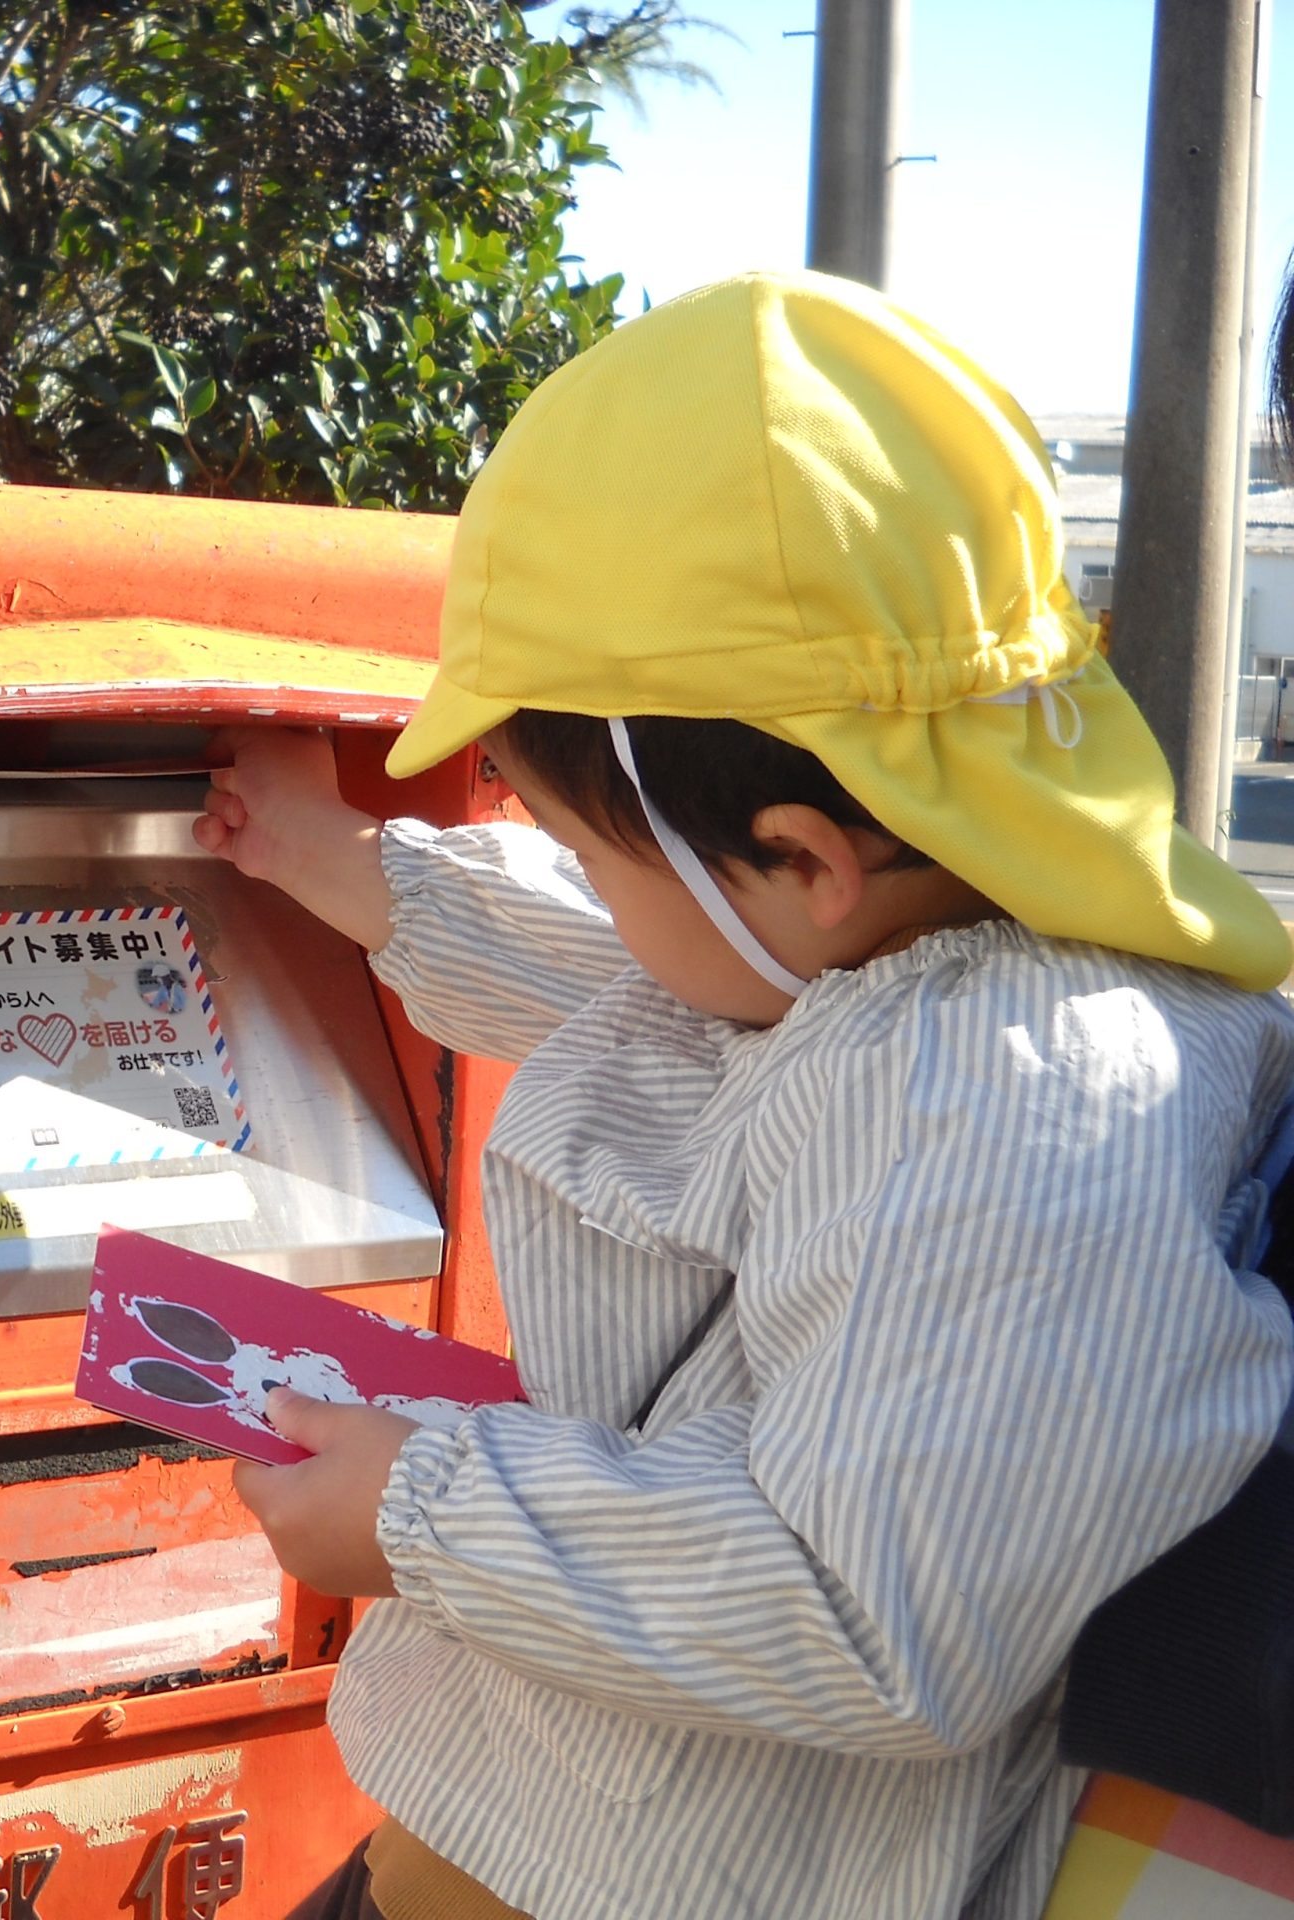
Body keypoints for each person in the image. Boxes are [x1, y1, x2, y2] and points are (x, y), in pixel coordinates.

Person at [198, 270, 1294, 1920]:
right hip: (516, 1848)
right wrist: (362, 873)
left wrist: (419, 1511)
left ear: (800, 857)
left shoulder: (1025, 1108)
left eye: (583, 846)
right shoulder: (933, 963)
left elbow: (875, 1605)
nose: (596, 899)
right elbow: (669, 986)